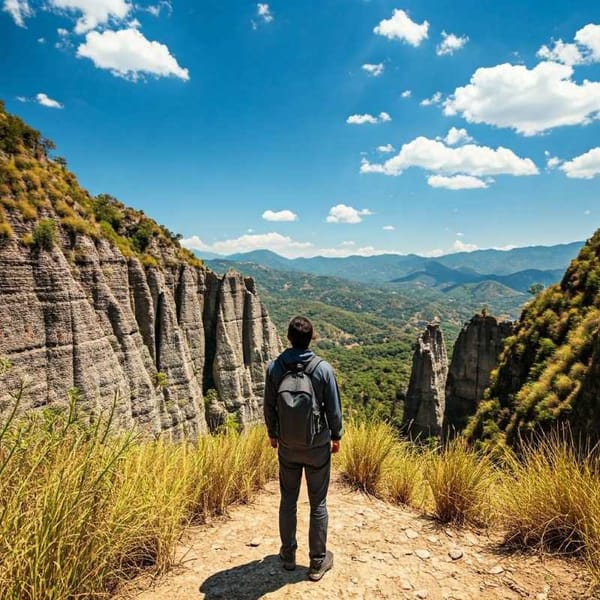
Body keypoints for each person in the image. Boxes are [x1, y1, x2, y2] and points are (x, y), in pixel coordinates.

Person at [263, 315, 343, 582]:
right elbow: (333, 409)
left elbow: (269, 406)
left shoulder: (274, 367)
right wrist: (336, 436)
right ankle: (317, 562)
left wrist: (273, 434)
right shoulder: (323, 369)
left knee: (288, 500)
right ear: (312, 338)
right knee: (317, 503)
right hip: (317, 445)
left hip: (287, 445)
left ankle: (288, 556)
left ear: (288, 337)